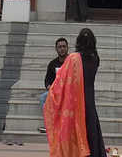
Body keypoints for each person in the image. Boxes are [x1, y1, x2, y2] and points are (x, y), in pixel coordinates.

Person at [44, 27, 107, 157]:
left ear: (78, 42)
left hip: (75, 100)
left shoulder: (73, 58)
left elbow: (61, 77)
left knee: (75, 128)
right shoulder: (96, 59)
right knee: (90, 126)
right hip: (89, 98)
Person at [37, 37, 69, 133]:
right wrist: (51, 89)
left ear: (67, 48)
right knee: (43, 97)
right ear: (56, 49)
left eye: (64, 46)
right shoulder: (52, 64)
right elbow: (47, 81)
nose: (62, 48)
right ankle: (50, 124)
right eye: (60, 47)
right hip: (56, 91)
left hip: (69, 91)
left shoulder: (71, 62)